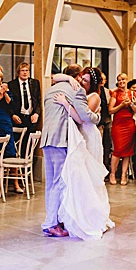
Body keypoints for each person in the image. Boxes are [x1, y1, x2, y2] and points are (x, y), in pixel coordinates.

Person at [47, 67, 113, 240]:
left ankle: (86, 215)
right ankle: (69, 216)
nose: (81, 82)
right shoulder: (77, 90)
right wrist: (69, 80)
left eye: (85, 81)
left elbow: (83, 118)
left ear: (93, 84)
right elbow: (55, 77)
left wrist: (65, 103)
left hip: (87, 137)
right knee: (75, 178)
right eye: (80, 79)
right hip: (77, 137)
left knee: (86, 178)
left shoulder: (93, 96)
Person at [107, 73, 136, 185]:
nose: (121, 82)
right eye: (119, 80)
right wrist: (121, 105)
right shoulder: (115, 94)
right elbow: (110, 110)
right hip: (119, 125)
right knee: (117, 150)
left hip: (129, 124)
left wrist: (131, 104)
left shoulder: (133, 93)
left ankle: (124, 174)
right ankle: (113, 173)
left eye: (123, 79)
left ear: (127, 80)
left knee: (127, 152)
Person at [8, 62, 41, 142]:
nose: (25, 72)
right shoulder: (11, 85)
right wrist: (13, 115)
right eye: (22, 70)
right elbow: (8, 103)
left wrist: (36, 113)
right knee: (18, 142)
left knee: (29, 143)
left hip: (31, 117)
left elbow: (38, 100)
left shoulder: (35, 83)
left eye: (27, 70)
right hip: (18, 117)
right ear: (18, 72)